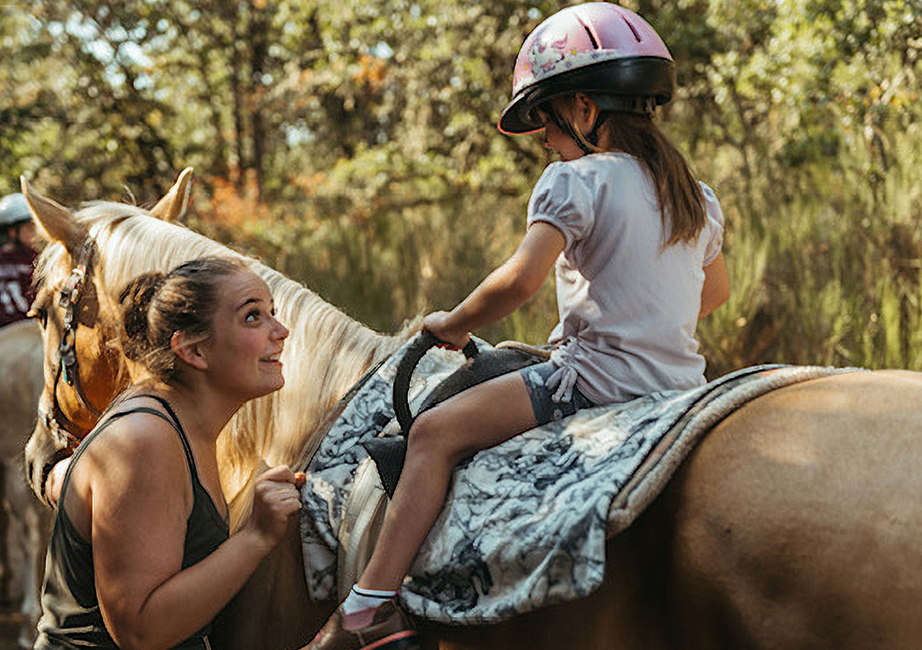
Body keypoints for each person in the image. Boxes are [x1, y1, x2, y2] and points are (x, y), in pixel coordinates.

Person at [302, 4, 731, 649]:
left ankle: (372, 602)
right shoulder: (695, 196)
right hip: (678, 387)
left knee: (434, 434)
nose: (547, 145)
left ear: (583, 110)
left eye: (548, 126)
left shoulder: (574, 180)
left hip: (592, 383)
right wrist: (642, 316)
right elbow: (714, 294)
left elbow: (520, 280)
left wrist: (452, 320)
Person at [34, 256, 302, 650]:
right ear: (194, 351)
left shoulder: (181, 426)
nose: (281, 331)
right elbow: (141, 631)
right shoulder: (145, 442)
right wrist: (256, 537)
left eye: (272, 313)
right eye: (252, 317)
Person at [0, 193, 39, 338]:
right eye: (29, 228)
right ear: (12, 232)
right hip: (4, 326)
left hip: (31, 326)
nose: (34, 233)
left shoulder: (37, 257)